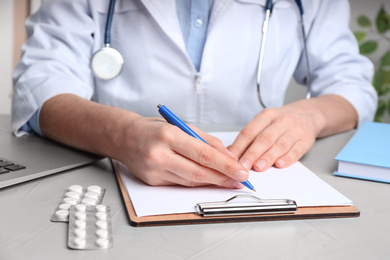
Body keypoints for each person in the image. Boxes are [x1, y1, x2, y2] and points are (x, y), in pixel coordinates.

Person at [12, 0, 377, 189]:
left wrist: (310, 116)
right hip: (115, 176)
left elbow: (351, 84)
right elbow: (41, 83)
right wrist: (120, 134)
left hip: (260, 174)